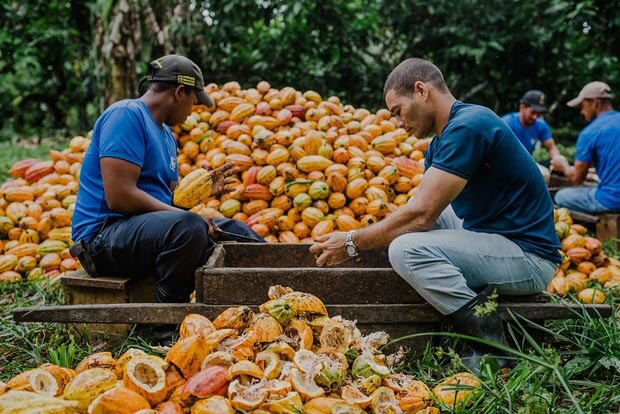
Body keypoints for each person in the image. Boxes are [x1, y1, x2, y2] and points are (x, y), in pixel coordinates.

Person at [310, 58, 561, 374]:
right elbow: (424, 210)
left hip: (529, 258)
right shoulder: (440, 142)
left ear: (421, 90)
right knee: (407, 230)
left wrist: (351, 241)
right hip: (493, 236)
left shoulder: (469, 125)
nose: (399, 123)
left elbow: (421, 216)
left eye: (398, 111)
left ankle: (490, 344)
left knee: (406, 249)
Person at [71, 54, 263, 310]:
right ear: (179, 92)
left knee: (236, 233)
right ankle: (166, 320)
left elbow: (168, 203)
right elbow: (120, 197)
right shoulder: (126, 115)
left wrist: (201, 192)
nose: (192, 111)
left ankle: (263, 305)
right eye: (193, 102)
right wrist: (191, 220)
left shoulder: (166, 136)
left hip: (142, 233)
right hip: (102, 238)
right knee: (190, 227)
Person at [551, 81, 620, 214]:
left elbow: (577, 179)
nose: (582, 112)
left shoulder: (590, 132)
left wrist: (563, 166)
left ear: (595, 103)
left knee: (561, 195)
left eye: (583, 106)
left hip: (612, 200)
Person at [501, 90, 562, 184]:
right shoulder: (507, 123)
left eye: (538, 114)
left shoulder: (540, 125)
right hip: (507, 164)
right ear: (522, 107)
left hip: (527, 164)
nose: (535, 117)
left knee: (550, 167)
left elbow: (551, 148)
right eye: (533, 112)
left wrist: (557, 160)